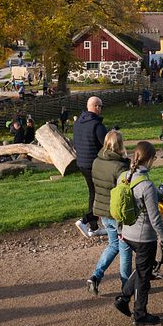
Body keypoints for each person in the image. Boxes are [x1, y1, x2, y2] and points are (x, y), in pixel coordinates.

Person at [114, 141, 163, 326]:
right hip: (144, 238)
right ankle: (140, 315)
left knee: (142, 268)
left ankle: (123, 299)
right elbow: (155, 220)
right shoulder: (146, 185)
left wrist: (119, 230)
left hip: (127, 233)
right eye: (154, 158)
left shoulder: (123, 176)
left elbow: (118, 205)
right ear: (149, 160)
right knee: (144, 277)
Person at [87, 130, 132, 296]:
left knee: (113, 245)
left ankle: (95, 276)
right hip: (116, 213)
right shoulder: (120, 167)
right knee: (125, 248)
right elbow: (125, 191)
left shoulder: (97, 161)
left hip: (103, 210)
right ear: (120, 145)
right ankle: (126, 285)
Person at [73, 96, 108, 237]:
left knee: (93, 193)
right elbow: (107, 145)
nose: (101, 109)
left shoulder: (78, 123)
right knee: (101, 194)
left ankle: (94, 227)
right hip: (95, 164)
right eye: (100, 106)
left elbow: (76, 143)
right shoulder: (96, 125)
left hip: (82, 163)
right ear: (96, 107)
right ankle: (85, 219)